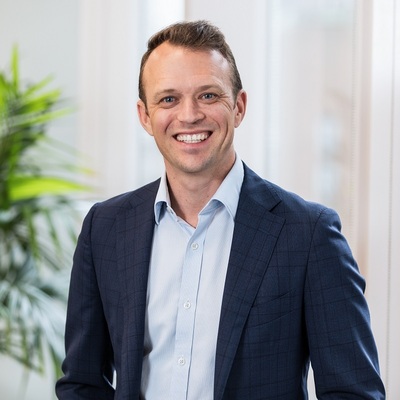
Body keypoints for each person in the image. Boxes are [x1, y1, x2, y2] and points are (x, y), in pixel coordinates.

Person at [56, 20, 385, 399]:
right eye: (168, 99)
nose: (189, 115)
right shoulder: (105, 228)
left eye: (208, 95)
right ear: (145, 116)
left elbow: (353, 392)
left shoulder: (308, 234)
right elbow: (82, 383)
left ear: (239, 106)